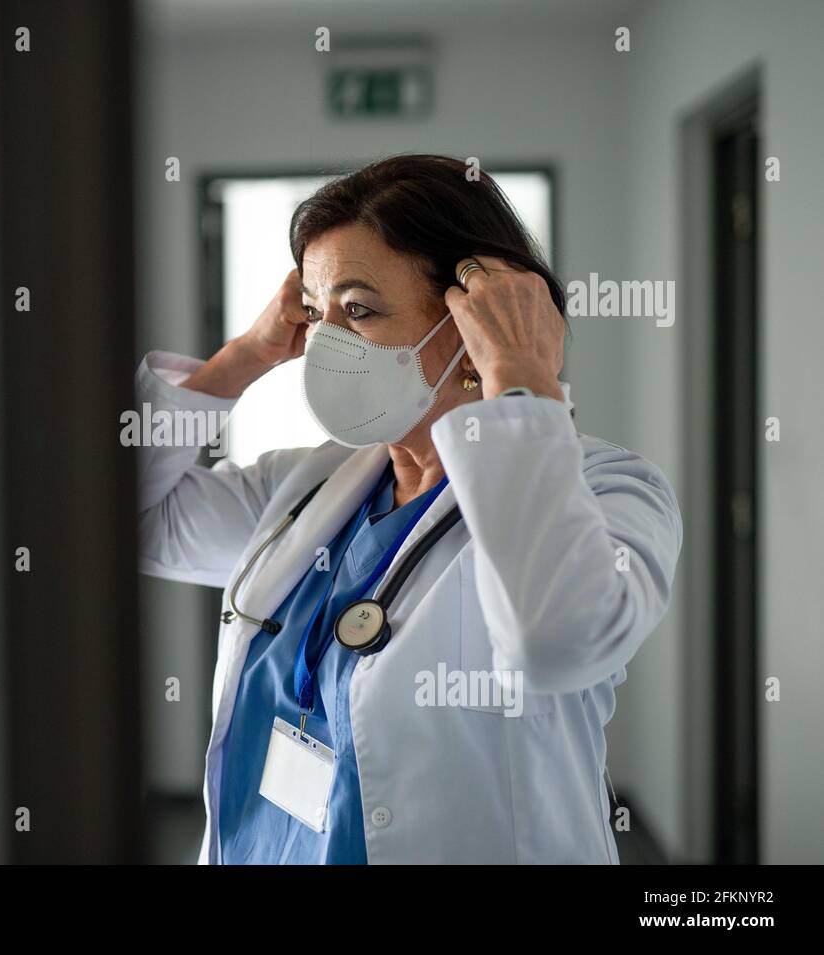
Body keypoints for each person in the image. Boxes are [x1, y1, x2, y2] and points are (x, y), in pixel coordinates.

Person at [134, 154, 682, 864]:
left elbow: (558, 637)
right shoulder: (308, 487)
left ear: (466, 324)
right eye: (315, 309)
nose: (326, 342)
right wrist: (244, 354)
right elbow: (124, 520)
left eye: (358, 309)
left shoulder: (608, 489)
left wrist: (520, 373)